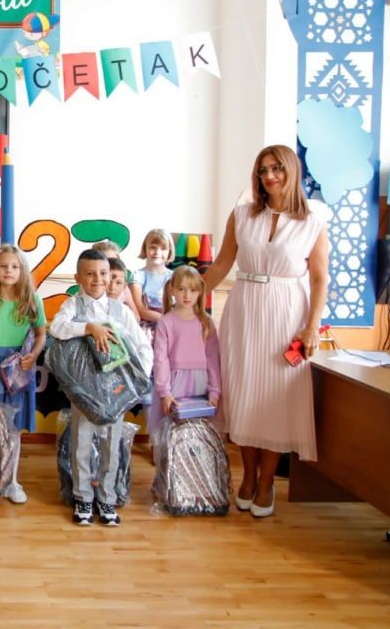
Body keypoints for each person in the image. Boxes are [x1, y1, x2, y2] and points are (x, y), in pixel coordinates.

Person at [202, 144, 328, 519]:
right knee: (242, 394)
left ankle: (267, 481)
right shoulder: (242, 214)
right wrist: (188, 300)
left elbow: (319, 278)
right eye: (263, 170)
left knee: (274, 400)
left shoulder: (313, 220)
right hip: (244, 309)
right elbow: (221, 264)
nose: (269, 176)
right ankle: (248, 475)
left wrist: (311, 327)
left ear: (292, 170)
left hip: (286, 313)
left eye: (277, 168)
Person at [49, 249, 153, 527]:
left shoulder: (121, 310)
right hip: (84, 391)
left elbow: (143, 347)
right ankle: (83, 497)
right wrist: (89, 328)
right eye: (90, 274)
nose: (98, 279)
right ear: (78, 278)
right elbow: (57, 328)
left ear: (111, 276)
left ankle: (107, 498)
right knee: (81, 442)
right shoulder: (73, 305)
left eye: (103, 273)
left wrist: (134, 385)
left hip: (114, 393)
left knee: (111, 443)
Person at [0, 245, 45, 504]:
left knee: (13, 430)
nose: (9, 271)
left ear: (22, 270)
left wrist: (34, 354)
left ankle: (11, 480)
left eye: (15, 266)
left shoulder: (32, 300)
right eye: (4, 266)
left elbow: (41, 334)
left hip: (18, 373)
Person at [149, 266, 221, 436]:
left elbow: (213, 358)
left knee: (198, 432)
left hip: (201, 382)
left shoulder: (206, 322)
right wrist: (165, 392)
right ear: (172, 289)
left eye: (193, 290)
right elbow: (161, 359)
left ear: (200, 292)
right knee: (172, 430)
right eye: (181, 289)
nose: (187, 295)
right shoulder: (166, 322)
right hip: (174, 383)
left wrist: (215, 390)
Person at [130, 228, 175, 338]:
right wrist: (164, 320)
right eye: (153, 247)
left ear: (169, 251)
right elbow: (140, 309)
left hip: (171, 325)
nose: (157, 252)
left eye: (163, 248)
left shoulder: (174, 277)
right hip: (146, 328)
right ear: (145, 248)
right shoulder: (138, 276)